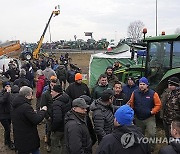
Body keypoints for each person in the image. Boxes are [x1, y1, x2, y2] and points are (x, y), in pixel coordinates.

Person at [128, 77, 162, 151]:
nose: (142, 86)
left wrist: (152, 112)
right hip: (138, 118)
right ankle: (140, 148)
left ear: (147, 85)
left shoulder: (153, 93)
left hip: (149, 118)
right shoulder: (135, 93)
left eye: (143, 84)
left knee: (152, 133)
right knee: (139, 134)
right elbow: (131, 103)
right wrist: (133, 113)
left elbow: (158, 105)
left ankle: (151, 148)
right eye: (140, 84)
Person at [11, 86, 47, 154]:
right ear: (26, 96)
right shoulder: (26, 107)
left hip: (19, 136)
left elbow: (22, 115)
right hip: (28, 138)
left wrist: (32, 112)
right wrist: (43, 111)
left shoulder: (15, 104)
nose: (32, 97)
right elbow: (36, 120)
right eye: (31, 95)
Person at [50, 85, 71, 154]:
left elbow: (57, 119)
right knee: (64, 144)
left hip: (58, 129)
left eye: (52, 91)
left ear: (57, 92)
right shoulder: (67, 98)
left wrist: (53, 128)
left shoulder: (56, 103)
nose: (51, 93)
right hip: (66, 126)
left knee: (55, 145)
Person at [40, 76, 58, 152]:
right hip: (49, 116)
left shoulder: (59, 92)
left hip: (57, 115)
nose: (53, 86)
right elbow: (43, 106)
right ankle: (48, 144)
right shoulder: (45, 94)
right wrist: (47, 117)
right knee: (49, 131)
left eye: (54, 84)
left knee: (57, 130)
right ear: (50, 84)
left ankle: (56, 142)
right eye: (52, 84)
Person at [162, 76, 180, 141]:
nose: (169, 87)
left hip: (174, 121)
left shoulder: (178, 95)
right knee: (168, 136)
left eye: (171, 85)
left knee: (174, 138)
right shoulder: (169, 93)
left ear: (176, 85)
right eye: (169, 85)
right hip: (166, 119)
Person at [0, 81, 15, 150]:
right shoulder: (2, 93)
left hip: (9, 114)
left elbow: (11, 102)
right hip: (2, 115)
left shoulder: (9, 94)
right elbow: (2, 100)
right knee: (8, 129)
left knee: (7, 128)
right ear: (4, 87)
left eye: (9, 86)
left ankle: (6, 140)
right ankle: (9, 143)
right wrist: (7, 93)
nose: (8, 87)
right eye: (7, 86)